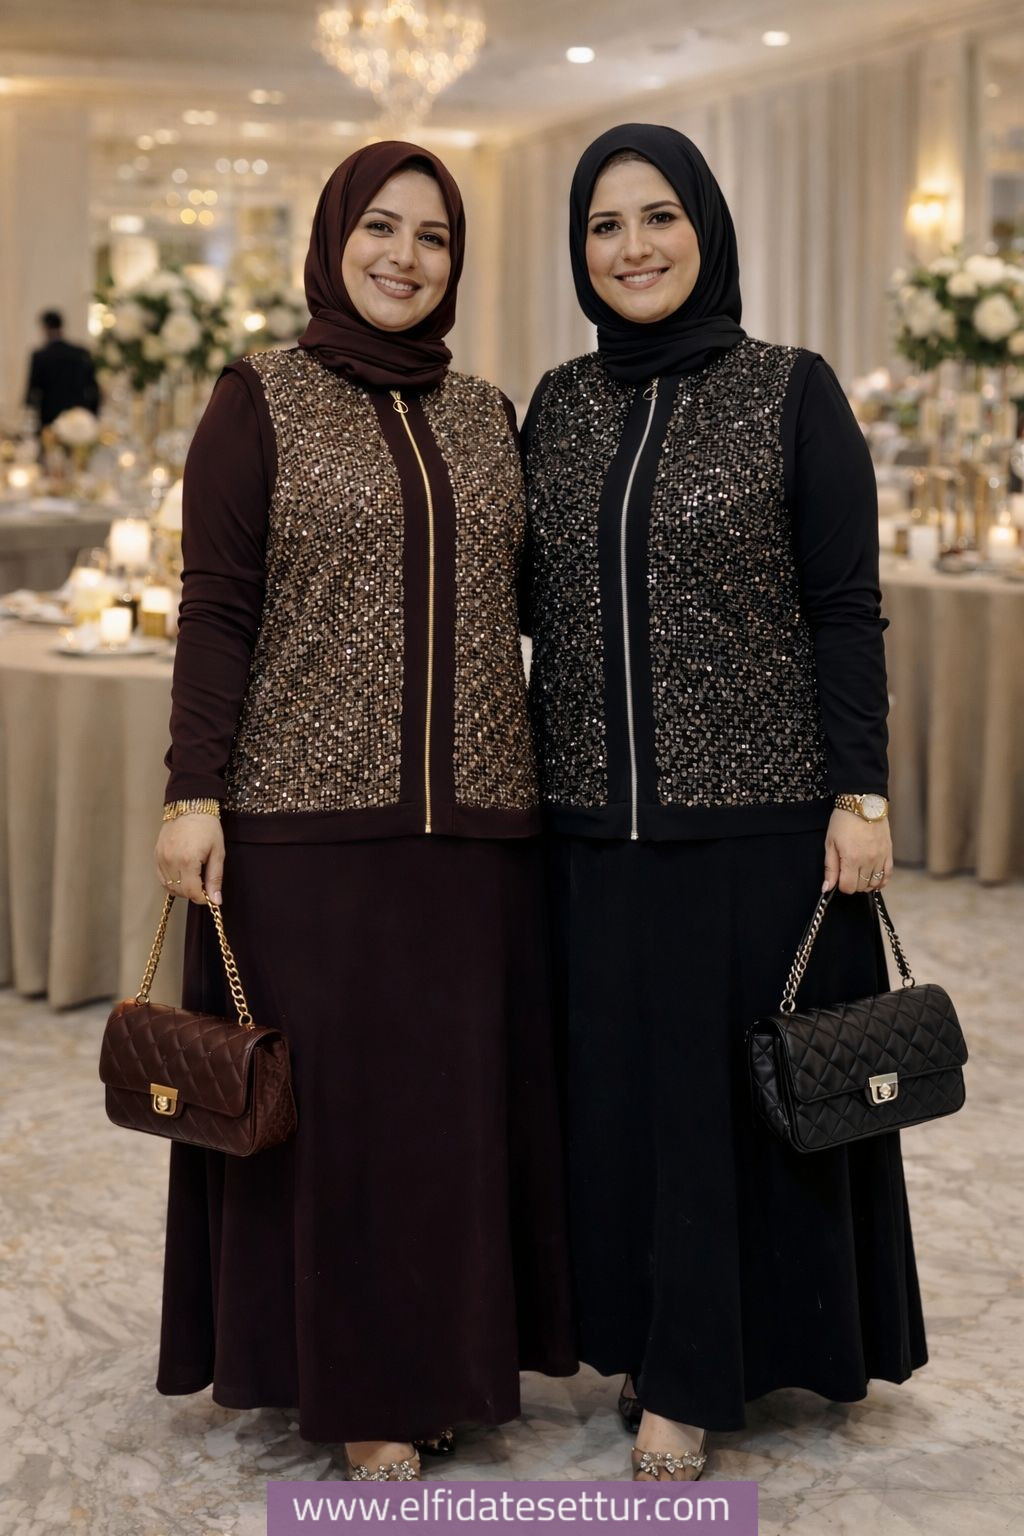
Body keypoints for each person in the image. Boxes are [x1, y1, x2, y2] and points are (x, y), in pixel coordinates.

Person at [154, 140, 575, 1482]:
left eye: (433, 237)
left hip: (479, 833)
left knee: (448, 1115)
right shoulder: (258, 398)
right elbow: (216, 607)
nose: (405, 256)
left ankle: (445, 1363)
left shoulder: (485, 412)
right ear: (335, 239)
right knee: (335, 1124)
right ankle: (359, 1389)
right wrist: (192, 790)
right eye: (381, 227)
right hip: (305, 826)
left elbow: (539, 604)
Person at [523, 123, 927, 1483]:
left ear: (705, 228)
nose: (632, 246)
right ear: (578, 249)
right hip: (591, 831)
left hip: (756, 825)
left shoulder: (790, 391)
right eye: (604, 224)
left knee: (726, 1114)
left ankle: (695, 1378)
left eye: (658, 217)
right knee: (622, 1107)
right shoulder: (560, 406)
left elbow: (845, 609)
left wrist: (861, 795)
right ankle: (645, 1335)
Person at [25, 309, 100, 427]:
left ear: (45, 327)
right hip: (79, 417)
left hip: (50, 418)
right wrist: (93, 415)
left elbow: (33, 390)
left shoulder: (41, 356)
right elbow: (93, 387)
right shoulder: (81, 352)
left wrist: (27, 416)